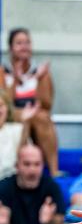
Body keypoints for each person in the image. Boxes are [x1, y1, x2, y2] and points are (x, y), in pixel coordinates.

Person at [0, 143, 65, 224]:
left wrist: (49, 222)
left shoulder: (51, 186)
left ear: (43, 166)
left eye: (37, 164)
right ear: (17, 166)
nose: (32, 170)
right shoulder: (4, 187)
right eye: (27, 164)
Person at [1, 28, 59, 175]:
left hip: (36, 116)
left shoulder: (40, 73)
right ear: (11, 48)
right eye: (19, 43)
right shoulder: (3, 71)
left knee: (42, 117)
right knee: (29, 115)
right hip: (11, 115)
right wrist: (14, 79)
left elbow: (46, 104)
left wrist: (39, 81)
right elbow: (3, 103)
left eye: (27, 42)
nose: (24, 46)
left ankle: (54, 171)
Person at [0, 93, 31, 180]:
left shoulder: (18, 129)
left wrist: (26, 123)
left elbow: (26, 156)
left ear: (7, 109)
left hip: (12, 182)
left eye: (1, 105)